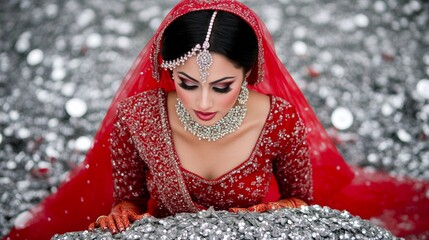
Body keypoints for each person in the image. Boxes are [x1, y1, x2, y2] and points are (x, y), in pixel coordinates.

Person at [4, 0, 429, 239]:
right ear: (168, 71)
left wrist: (275, 211)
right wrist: (123, 213)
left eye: (222, 86)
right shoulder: (139, 117)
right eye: (186, 82)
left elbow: (302, 200)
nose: (202, 100)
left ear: (249, 74)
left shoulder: (278, 119)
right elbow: (130, 200)